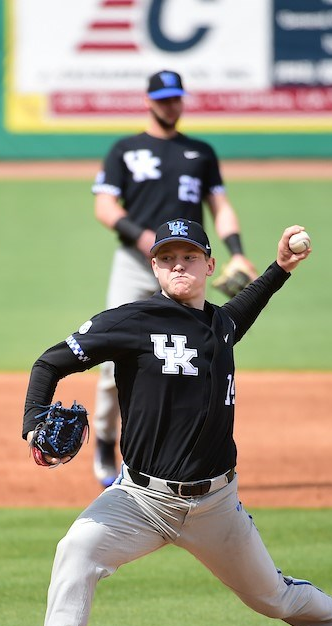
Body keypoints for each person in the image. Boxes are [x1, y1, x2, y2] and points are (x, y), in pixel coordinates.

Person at [1, 219, 332, 626]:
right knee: (76, 551)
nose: (179, 266)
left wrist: (281, 268)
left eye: (189, 257)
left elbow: (242, 311)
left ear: (209, 265)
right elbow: (49, 363)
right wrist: (31, 425)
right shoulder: (132, 320)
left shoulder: (220, 325)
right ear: (154, 267)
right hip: (140, 500)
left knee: (275, 598)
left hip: (216, 505)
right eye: (167, 258)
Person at [89, 69, 256, 487]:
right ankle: (105, 441)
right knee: (112, 363)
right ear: (148, 101)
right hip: (135, 265)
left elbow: (220, 206)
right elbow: (106, 208)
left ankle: (184, 455)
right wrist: (150, 242)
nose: (170, 105)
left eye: (176, 98)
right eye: (162, 98)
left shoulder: (200, 152)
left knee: (194, 360)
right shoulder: (125, 150)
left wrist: (236, 252)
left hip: (186, 266)